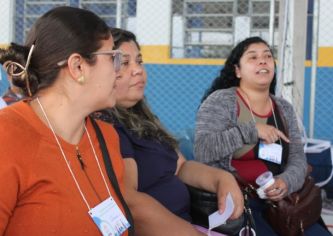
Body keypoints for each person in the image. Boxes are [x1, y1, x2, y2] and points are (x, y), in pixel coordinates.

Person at [96, 28, 244, 236]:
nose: (137, 70)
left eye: (139, 61)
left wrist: (222, 178)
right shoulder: (109, 126)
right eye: (125, 63)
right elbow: (129, 202)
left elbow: (181, 166)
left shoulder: (142, 118)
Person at [0, 7, 132, 235]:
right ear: (77, 66)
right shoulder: (7, 138)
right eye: (113, 58)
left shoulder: (106, 137)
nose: (118, 72)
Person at [194, 36, 331, 235]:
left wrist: (285, 182)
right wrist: (252, 130)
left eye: (268, 56)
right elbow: (203, 151)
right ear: (237, 70)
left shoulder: (283, 108)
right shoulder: (221, 101)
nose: (262, 60)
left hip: (282, 205)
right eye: (253, 57)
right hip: (240, 203)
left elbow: (298, 160)